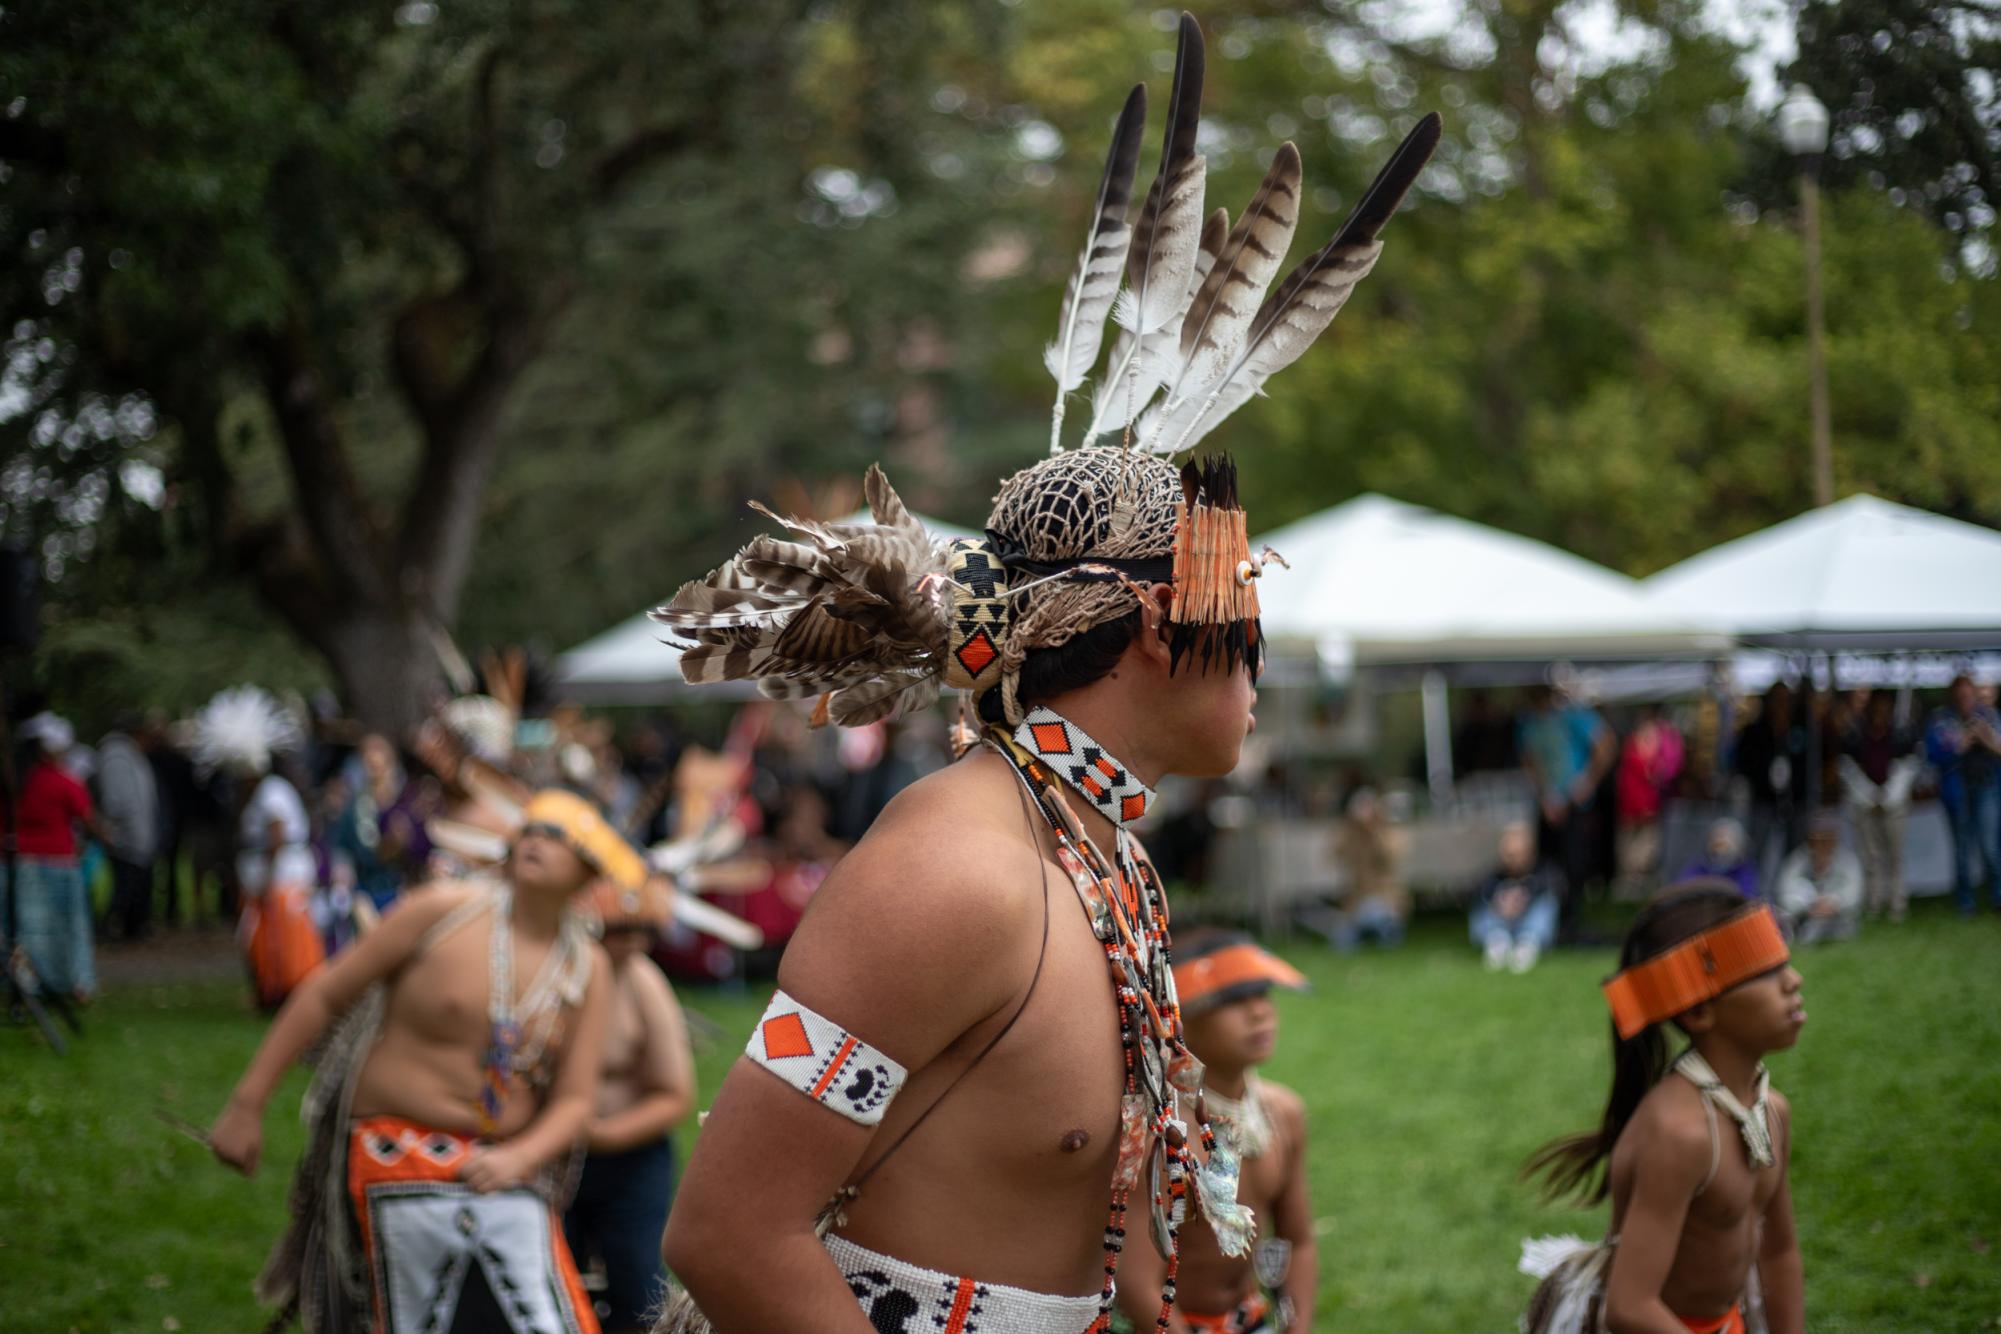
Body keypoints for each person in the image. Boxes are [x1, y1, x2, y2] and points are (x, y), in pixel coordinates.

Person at [646, 20, 1437, 1331]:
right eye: (1238, 608)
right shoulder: (953, 874)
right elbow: (730, 1232)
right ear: (1142, 630)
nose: (1261, 652)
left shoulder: (1096, 856)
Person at [210, 789, 625, 1333]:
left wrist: (520, 1157)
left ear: (588, 871)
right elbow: (324, 995)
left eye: (559, 837)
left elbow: (575, 1101)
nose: (536, 841)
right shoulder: (442, 910)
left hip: (502, 1174)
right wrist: (246, 1104)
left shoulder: (586, 967)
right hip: (391, 1155)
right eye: (531, 829)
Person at [1520, 884, 1805, 1333]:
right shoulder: (1679, 1134)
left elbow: (1779, 1253)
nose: (1793, 981)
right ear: (1697, 1013)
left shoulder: (1771, 1111)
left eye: (1784, 963)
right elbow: (1630, 1308)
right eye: (1764, 972)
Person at [1115, 930, 1316, 1333]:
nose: (1259, 1012)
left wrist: (1297, 1324)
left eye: (1262, 995)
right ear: (1179, 1017)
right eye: (1232, 1001)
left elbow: (1297, 1240)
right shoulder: (1159, 1132)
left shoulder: (1283, 1113)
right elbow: (1137, 1285)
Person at [566, 873, 697, 1333]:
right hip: (552, 1160)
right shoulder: (553, 976)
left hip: (629, 1163)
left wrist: (598, 1135)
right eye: (618, 929)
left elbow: (674, 1095)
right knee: (554, 1286)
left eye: (643, 930)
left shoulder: (643, 984)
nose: (633, 941)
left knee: (638, 1290)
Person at [194, 686, 326, 1009]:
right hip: (262, 876)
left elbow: (276, 835)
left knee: (286, 938)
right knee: (262, 938)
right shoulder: (253, 796)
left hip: (280, 878)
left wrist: (267, 876)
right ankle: (270, 990)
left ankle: (290, 990)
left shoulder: (273, 793)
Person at [4, 713, 113, 1002]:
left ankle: (27, 982)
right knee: (66, 928)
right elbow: (87, 818)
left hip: (16, 864)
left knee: (25, 929)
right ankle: (71, 983)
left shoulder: (15, 782)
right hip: (57, 863)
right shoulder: (62, 781)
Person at [1517, 683, 1616, 940]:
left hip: (1573, 805)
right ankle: (1545, 917)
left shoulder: (1573, 716)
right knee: (1545, 864)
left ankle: (1570, 920)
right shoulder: (1528, 722)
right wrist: (1544, 795)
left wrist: (1587, 782)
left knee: (1574, 864)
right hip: (1548, 804)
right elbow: (1529, 759)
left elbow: (1606, 744)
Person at [1836, 691, 1918, 922]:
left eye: (1885, 708)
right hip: (1864, 803)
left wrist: (1889, 795)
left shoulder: (1901, 734)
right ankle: (1873, 902)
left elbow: (1909, 765)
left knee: (1895, 854)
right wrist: (1869, 795)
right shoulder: (1856, 734)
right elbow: (1848, 767)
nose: (1880, 713)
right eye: (1877, 708)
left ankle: (1896, 904)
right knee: (1870, 855)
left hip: (1894, 803)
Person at [1923, 674, 2001, 914]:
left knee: (1990, 844)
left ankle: (1997, 896)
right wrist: (1962, 743)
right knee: (1962, 847)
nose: (1965, 699)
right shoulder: (1941, 719)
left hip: (1986, 785)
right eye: (1960, 696)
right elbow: (1933, 755)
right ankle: (1965, 901)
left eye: (1969, 694)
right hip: (1956, 789)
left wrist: (1986, 737)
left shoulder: (1988, 716)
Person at [331, 733, 430, 914]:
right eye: (367, 754)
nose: (372, 758)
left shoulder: (409, 800)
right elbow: (343, 852)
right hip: (370, 895)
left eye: (378, 752)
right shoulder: (355, 809)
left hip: (409, 889)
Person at [1733, 684, 1810, 885]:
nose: (1781, 705)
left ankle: (1790, 891)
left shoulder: (1801, 729)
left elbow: (1811, 763)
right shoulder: (1755, 731)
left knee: (1794, 852)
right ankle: (1752, 891)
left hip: (1795, 800)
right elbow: (1743, 762)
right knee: (1757, 849)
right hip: (1763, 800)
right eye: (1777, 699)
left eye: (1786, 700)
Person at [96, 715, 162, 940]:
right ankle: (112, 926)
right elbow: (118, 801)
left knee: (136, 883)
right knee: (124, 884)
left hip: (138, 833)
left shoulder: (131, 756)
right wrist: (127, 831)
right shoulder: (117, 757)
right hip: (126, 836)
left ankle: (133, 926)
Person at [1323, 786, 1410, 950]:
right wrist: (1349, 827)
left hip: (1385, 899)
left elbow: (1388, 857)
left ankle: (1386, 931)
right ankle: (1372, 932)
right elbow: (1333, 853)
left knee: (1375, 913)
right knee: (1342, 941)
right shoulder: (1349, 835)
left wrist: (1374, 830)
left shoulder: (1390, 833)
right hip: (1357, 900)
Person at [1471, 821, 1563, 973]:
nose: (1512, 860)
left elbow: (1556, 887)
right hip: (1502, 922)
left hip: (1529, 923)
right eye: (1508, 855)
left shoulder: (1544, 871)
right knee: (1482, 907)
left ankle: (1527, 944)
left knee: (1546, 903)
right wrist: (1499, 902)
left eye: (1517, 855)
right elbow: (1479, 892)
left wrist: (1524, 898)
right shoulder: (1494, 876)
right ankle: (1497, 942)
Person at [1614, 705, 1683, 900]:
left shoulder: (1664, 742)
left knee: (1647, 846)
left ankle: (1640, 884)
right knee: (1628, 847)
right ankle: (1628, 885)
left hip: (1649, 804)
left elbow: (1667, 770)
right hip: (1630, 804)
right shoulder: (1633, 745)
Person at [1772, 813, 1862, 946]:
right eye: (1819, 839)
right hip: (1804, 916)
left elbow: (1854, 894)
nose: (1823, 844)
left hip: (1837, 917)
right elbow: (1784, 891)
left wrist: (1832, 904)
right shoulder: (1798, 860)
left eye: (1828, 838)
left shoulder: (1848, 861)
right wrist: (1809, 906)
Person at [1677, 818, 1759, 901]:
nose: (1720, 841)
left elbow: (1744, 897)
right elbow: (1682, 890)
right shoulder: (1697, 867)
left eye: (1727, 837)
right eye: (1717, 836)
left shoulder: (1744, 871)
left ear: (1739, 847)